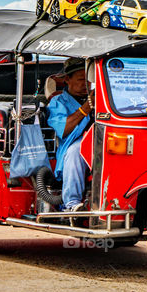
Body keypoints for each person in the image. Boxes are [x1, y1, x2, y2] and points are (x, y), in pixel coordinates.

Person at [46, 57, 93, 212]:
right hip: (73, 145)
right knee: (77, 151)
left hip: (101, 140)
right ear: (67, 79)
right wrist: (86, 108)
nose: (85, 84)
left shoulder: (102, 97)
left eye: (89, 80)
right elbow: (64, 129)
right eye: (81, 79)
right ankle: (72, 204)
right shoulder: (57, 102)